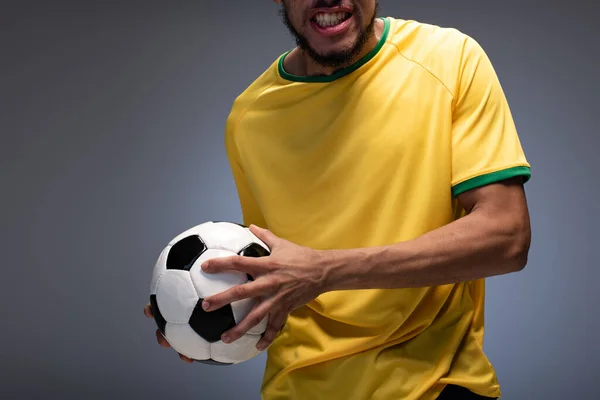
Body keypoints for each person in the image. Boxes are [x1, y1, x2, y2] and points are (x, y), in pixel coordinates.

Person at [144, 1, 532, 398]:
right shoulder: (249, 119)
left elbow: (507, 238)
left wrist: (326, 272)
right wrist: (198, 306)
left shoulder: (450, 60)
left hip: (435, 386)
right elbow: (274, 268)